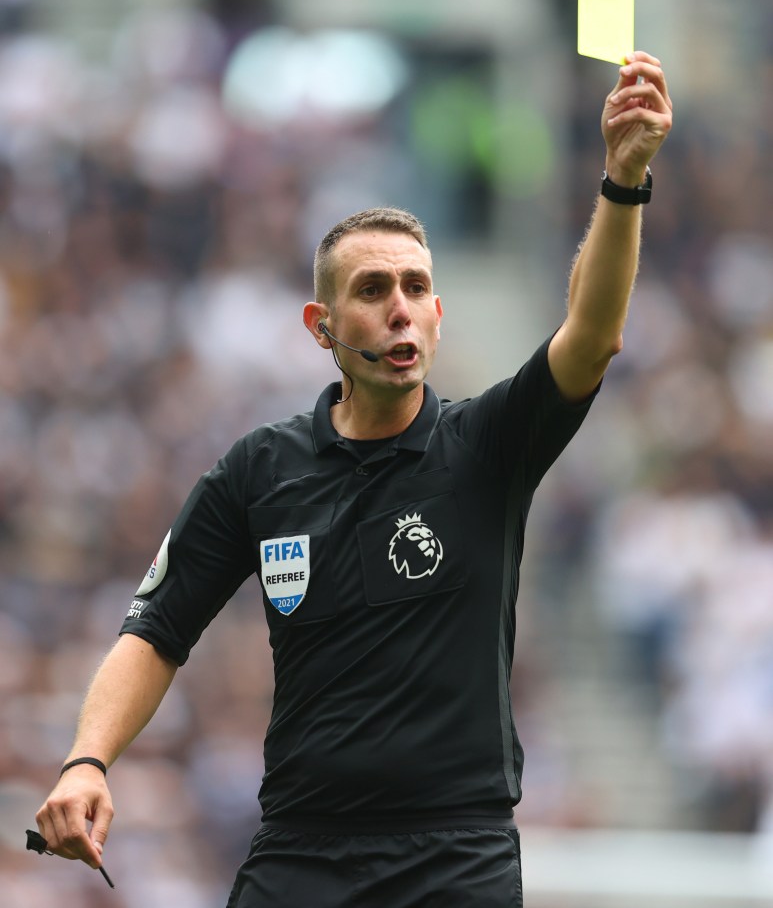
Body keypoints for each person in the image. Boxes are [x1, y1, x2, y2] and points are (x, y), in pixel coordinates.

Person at [35, 51, 672, 907]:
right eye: (372, 289)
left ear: (438, 318)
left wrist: (623, 178)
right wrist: (87, 758)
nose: (399, 306)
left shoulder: (487, 444)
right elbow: (155, 629)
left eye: (416, 287)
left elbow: (590, 335)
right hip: (302, 849)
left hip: (456, 856)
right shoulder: (258, 469)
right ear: (321, 327)